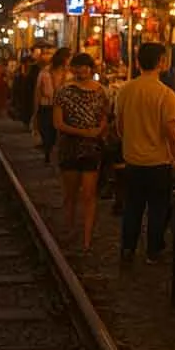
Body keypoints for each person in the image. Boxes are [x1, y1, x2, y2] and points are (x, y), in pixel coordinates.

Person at [114, 43, 175, 264]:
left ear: (137, 62)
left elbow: (119, 127)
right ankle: (153, 251)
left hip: (132, 160)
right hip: (158, 162)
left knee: (132, 206)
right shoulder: (166, 94)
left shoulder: (124, 90)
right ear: (162, 62)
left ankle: (127, 249)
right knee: (158, 209)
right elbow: (172, 134)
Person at [54, 53, 109, 252]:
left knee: (89, 194)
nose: (81, 71)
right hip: (69, 147)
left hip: (92, 148)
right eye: (77, 67)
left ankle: (86, 237)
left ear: (91, 68)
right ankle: (69, 230)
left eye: (85, 67)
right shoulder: (63, 92)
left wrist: (99, 130)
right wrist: (86, 132)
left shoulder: (101, 91)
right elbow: (58, 123)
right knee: (70, 194)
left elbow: (104, 116)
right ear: (72, 69)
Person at [34, 48, 69, 164]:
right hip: (46, 106)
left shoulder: (69, 73)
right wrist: (36, 110)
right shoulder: (44, 72)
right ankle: (48, 153)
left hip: (62, 107)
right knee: (47, 131)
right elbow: (38, 91)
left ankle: (53, 154)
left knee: (56, 132)